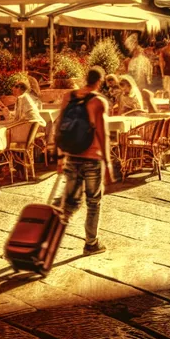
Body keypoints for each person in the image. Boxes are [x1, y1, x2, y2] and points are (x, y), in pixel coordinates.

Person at [58, 67, 112, 255]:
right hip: (92, 158)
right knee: (93, 202)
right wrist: (108, 162)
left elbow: (60, 124)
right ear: (100, 81)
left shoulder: (68, 96)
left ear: (84, 79)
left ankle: (50, 240)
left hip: (72, 156)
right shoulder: (98, 101)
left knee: (69, 203)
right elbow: (102, 133)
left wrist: (59, 154)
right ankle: (91, 243)